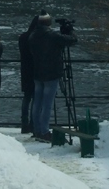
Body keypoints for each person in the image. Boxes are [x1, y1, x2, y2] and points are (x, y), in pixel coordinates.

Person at [29, 10, 77, 141]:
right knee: (47, 104)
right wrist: (70, 30)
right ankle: (44, 131)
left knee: (37, 103)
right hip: (52, 73)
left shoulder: (32, 36)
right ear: (49, 23)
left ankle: (37, 130)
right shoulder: (52, 36)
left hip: (38, 73)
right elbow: (73, 40)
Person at [18, 16, 38, 134]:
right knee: (36, 99)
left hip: (25, 70)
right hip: (36, 70)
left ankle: (24, 124)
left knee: (26, 97)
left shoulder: (23, 37)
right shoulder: (36, 38)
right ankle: (33, 123)